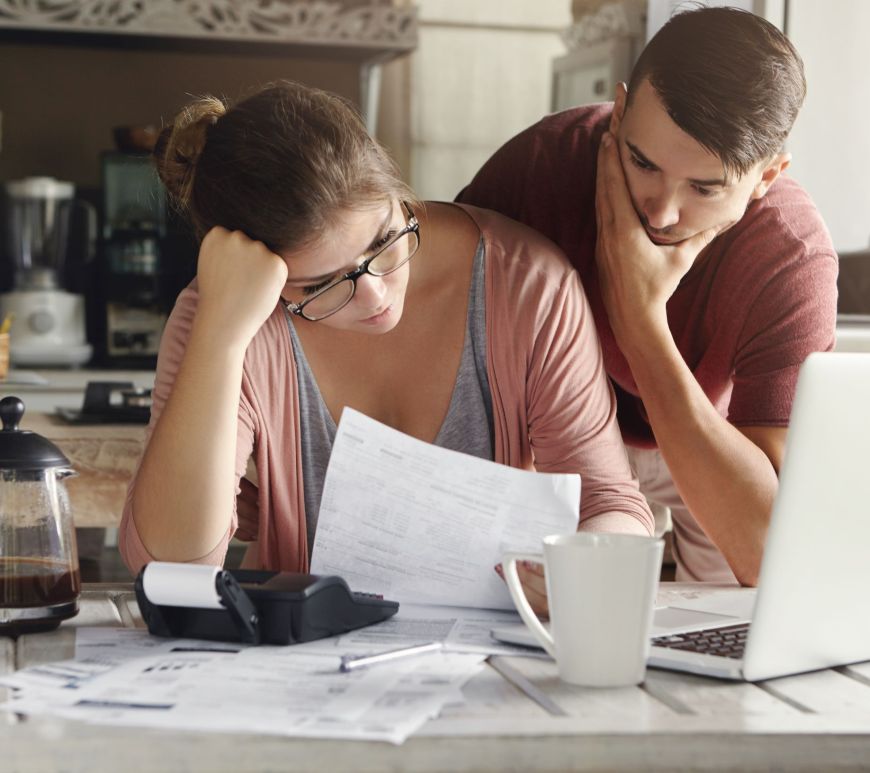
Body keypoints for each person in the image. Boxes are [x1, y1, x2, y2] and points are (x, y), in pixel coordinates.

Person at [119, 81, 654, 612]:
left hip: (495, 657)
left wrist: (589, 562)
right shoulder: (222, 315)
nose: (376, 294)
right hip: (301, 668)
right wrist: (221, 336)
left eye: (383, 240)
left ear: (397, 191)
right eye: (322, 284)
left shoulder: (528, 284)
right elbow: (169, 568)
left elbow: (610, 503)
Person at [457, 6, 838, 586]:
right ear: (620, 111)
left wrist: (639, 319)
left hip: (708, 433)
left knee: (734, 619)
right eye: (642, 161)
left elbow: (766, 552)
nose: (660, 210)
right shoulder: (540, 166)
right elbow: (435, 328)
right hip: (558, 428)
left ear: (767, 177)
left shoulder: (791, 257)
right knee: (530, 603)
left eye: (704, 187)